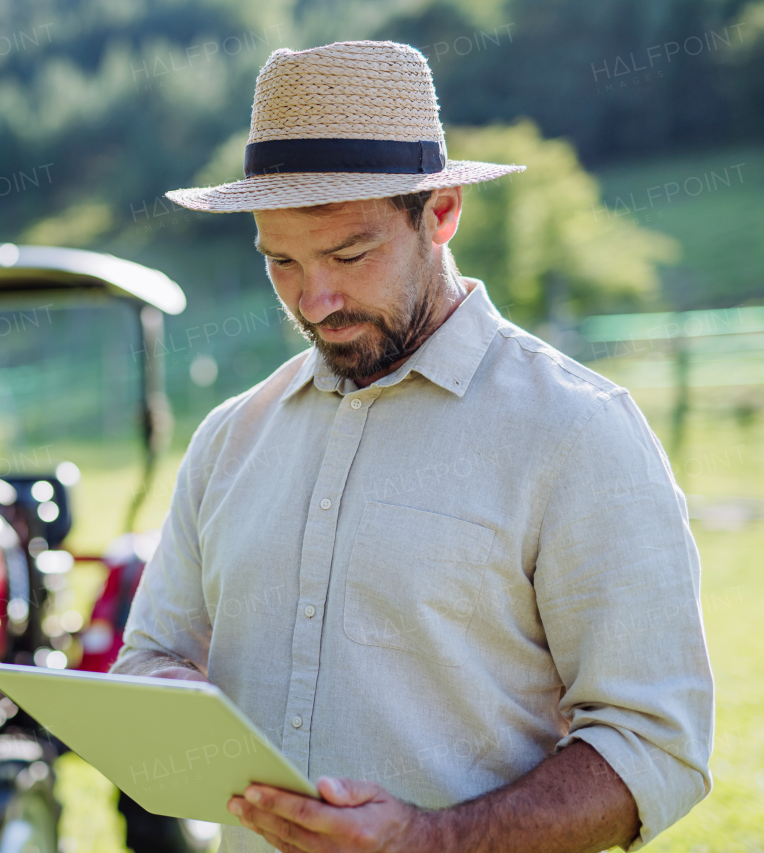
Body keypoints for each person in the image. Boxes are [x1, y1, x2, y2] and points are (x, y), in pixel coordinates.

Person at [111, 40, 713, 853]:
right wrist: (167, 702)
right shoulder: (228, 439)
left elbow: (654, 745)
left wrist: (432, 839)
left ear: (440, 213)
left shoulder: (577, 432)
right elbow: (152, 656)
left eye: (350, 254)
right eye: (280, 261)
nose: (315, 300)